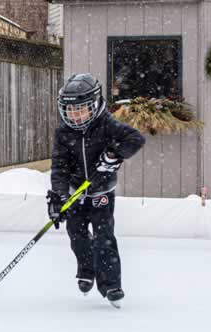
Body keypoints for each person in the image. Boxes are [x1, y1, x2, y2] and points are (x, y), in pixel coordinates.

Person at [47, 73, 146, 308]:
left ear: (93, 105)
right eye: (70, 110)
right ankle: (86, 269)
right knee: (77, 235)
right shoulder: (63, 133)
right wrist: (59, 197)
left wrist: (113, 155)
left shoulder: (106, 124)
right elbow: (59, 167)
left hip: (101, 192)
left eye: (81, 110)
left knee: (104, 238)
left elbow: (135, 139)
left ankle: (110, 284)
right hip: (75, 193)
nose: (75, 115)